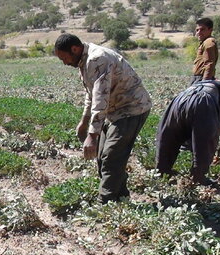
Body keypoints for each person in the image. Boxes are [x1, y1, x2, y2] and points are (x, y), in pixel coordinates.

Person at [54, 33, 151, 203]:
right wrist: (84, 122)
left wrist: (92, 135)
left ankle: (105, 202)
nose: (64, 63)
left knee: (111, 156)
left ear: (75, 49)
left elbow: (100, 99)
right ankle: (121, 197)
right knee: (102, 156)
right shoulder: (84, 62)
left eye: (64, 58)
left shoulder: (97, 59)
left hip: (132, 108)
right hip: (114, 111)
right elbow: (91, 95)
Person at [156, 75, 220, 185]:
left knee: (169, 136)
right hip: (203, 102)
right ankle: (198, 177)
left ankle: (161, 172)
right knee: (206, 142)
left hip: (180, 98)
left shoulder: (209, 83)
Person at [191, 18, 218, 85]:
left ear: (210, 30)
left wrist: (204, 82)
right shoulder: (204, 42)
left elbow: (209, 64)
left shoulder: (208, 42)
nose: (199, 32)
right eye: (197, 30)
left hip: (202, 78)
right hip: (198, 78)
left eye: (202, 29)